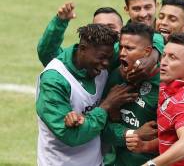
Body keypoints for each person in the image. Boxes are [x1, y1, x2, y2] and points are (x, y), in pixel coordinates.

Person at [36, 23, 138, 166]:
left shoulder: (100, 61)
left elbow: (144, 41)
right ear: (83, 49)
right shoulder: (54, 81)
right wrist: (106, 106)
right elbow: (72, 136)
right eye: (101, 58)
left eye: (109, 58)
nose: (106, 63)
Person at [65, 22, 161, 166]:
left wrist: (147, 143)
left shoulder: (164, 85)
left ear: (148, 52)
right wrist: (132, 134)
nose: (122, 53)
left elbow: (173, 141)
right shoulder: (116, 76)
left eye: (129, 48)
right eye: (121, 47)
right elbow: (104, 128)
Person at [125, 34, 184, 166]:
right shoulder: (176, 83)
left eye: (172, 58)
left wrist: (151, 164)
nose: (164, 62)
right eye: (164, 55)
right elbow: (173, 137)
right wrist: (146, 146)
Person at [37, 2, 123, 67]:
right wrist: (59, 23)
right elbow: (48, 53)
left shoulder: (126, 53)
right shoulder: (80, 58)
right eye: (99, 27)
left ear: (123, 30)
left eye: (111, 27)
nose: (106, 31)